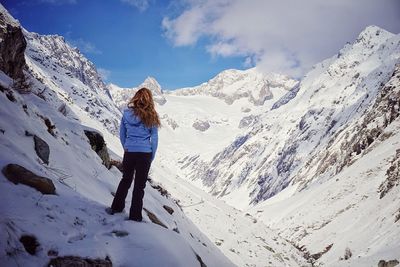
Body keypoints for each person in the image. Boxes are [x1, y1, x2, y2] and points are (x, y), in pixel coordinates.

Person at [107, 87, 160, 221]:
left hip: (129, 152)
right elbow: (154, 139)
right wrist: (151, 155)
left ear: (136, 98)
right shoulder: (152, 115)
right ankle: (135, 216)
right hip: (145, 154)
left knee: (126, 180)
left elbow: (122, 134)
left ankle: (116, 207)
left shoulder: (126, 114)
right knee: (139, 186)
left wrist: (127, 147)